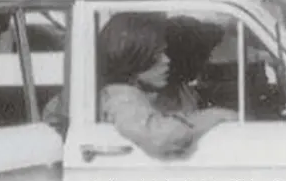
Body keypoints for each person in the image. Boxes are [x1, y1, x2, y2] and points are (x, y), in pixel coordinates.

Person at [98, 14, 236, 158]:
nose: (166, 60)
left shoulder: (158, 89)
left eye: (164, 51)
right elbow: (163, 139)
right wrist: (214, 116)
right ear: (134, 57)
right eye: (155, 55)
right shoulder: (120, 98)